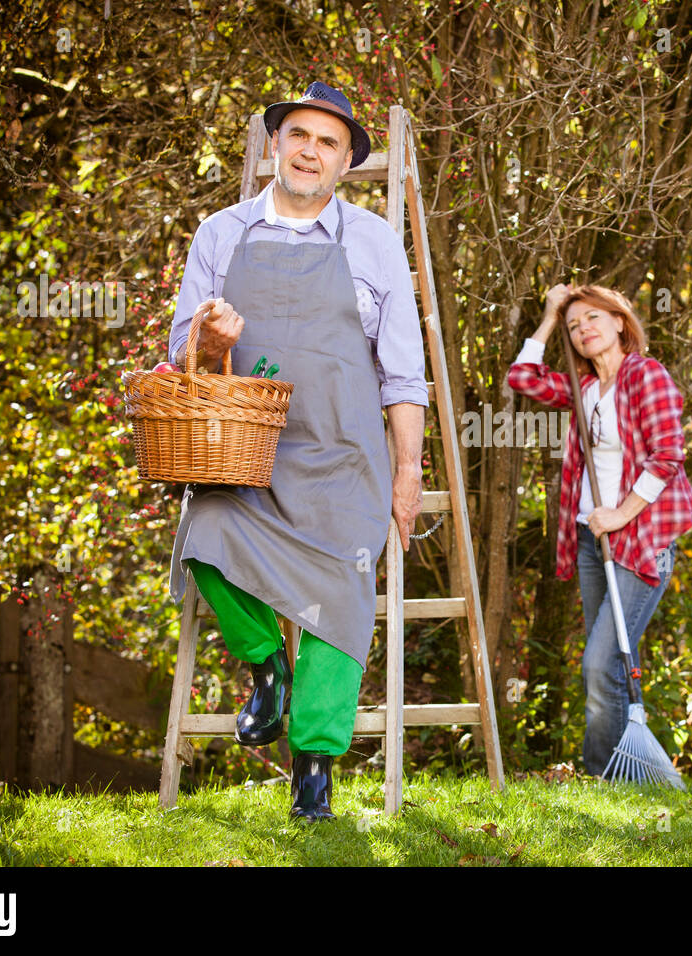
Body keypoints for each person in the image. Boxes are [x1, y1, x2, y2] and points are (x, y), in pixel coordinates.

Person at [165, 81, 427, 821]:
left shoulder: (373, 241)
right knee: (204, 539)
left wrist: (407, 472)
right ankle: (266, 670)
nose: (311, 151)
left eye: (328, 142)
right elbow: (178, 348)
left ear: (346, 162)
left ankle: (314, 766)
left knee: (341, 597)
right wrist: (206, 341)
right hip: (243, 456)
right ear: (276, 145)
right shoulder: (221, 233)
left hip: (345, 459)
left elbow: (404, 371)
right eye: (299, 136)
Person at [506, 283, 692, 776]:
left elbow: (669, 454)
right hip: (593, 542)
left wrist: (621, 513)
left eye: (593, 318)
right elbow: (522, 378)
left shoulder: (645, 375)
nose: (583, 329)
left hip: (639, 540)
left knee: (598, 663)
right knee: (605, 663)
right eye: (574, 326)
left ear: (619, 321)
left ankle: (600, 775)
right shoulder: (584, 386)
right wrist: (549, 317)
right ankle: (612, 777)